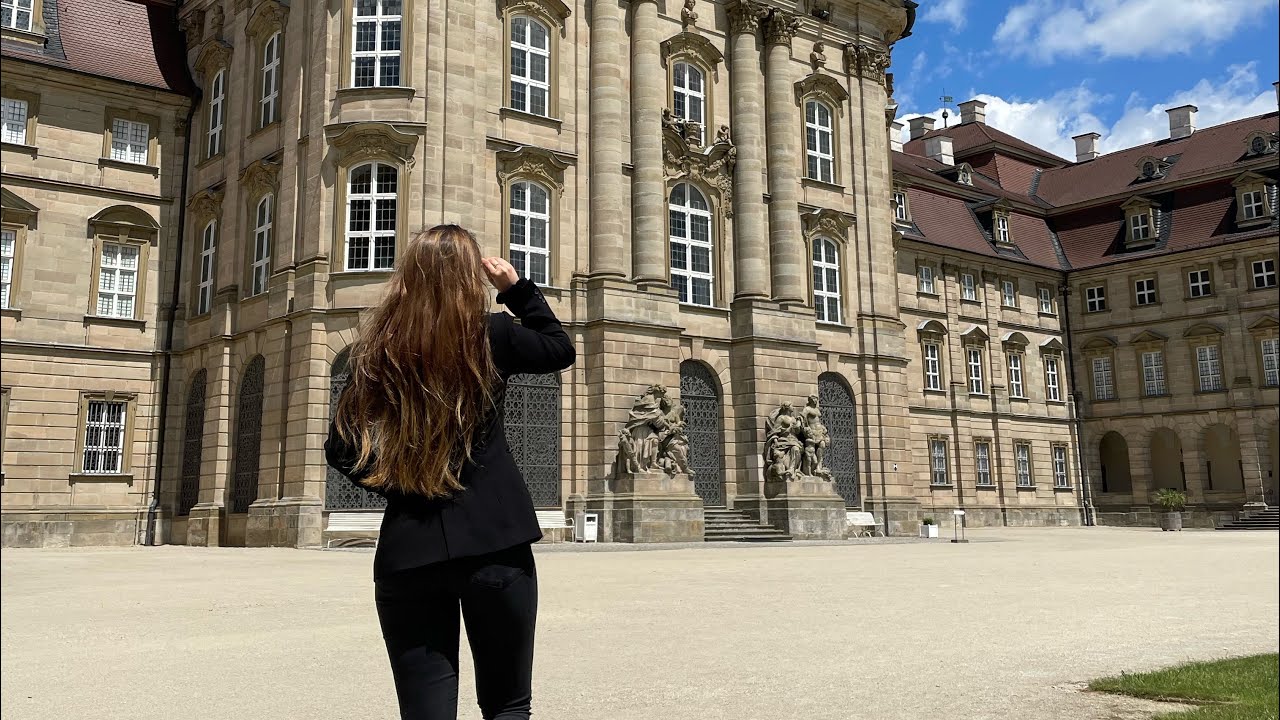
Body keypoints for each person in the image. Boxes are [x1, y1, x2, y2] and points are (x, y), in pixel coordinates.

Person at [324, 224, 576, 720]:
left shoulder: (376, 348)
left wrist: (398, 483)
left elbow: (340, 449)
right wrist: (516, 290)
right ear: (469, 278)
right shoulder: (494, 334)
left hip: (409, 549)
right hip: (496, 540)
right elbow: (558, 347)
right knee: (507, 706)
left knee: (426, 711)